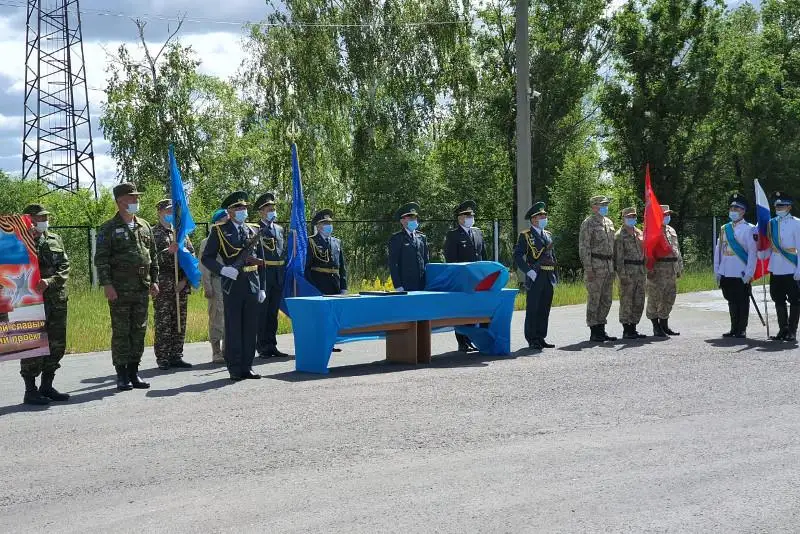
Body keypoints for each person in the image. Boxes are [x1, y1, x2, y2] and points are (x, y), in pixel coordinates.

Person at [95, 183, 159, 391]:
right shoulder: (108, 229)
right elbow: (101, 260)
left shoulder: (145, 225)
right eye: (131, 198)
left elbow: (153, 257)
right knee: (122, 332)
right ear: (119, 201)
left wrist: (155, 280)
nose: (135, 201)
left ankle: (134, 371)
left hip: (141, 287)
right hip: (120, 289)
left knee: (138, 331)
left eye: (136, 198)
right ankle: (121, 374)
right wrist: (107, 284)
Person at [201, 191, 262, 381]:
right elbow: (207, 258)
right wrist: (223, 270)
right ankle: (235, 367)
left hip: (252, 283)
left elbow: (262, 261)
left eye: (244, 208)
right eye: (238, 208)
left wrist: (262, 287)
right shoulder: (219, 230)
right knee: (234, 327)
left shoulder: (253, 230)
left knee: (251, 327)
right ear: (230, 211)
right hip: (232, 284)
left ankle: (247, 365)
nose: (243, 211)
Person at [19, 204, 70, 405]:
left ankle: (47, 386)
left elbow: (65, 266)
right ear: (29, 219)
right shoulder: (17, 241)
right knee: (32, 345)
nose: (44, 221)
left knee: (57, 344)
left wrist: (50, 281)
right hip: (30, 301)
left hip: (56, 299)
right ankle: (30, 390)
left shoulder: (54, 238)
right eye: (40, 218)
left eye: (45, 217)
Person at [152, 199, 194, 370]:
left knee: (179, 321)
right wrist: (167, 252)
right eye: (167, 211)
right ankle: (163, 357)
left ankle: (176, 355)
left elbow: (191, 258)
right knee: (164, 322)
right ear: (160, 212)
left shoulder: (181, 233)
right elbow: (150, 259)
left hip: (180, 283)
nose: (170, 214)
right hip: (163, 283)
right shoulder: (153, 233)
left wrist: (185, 281)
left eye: (172, 211)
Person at [513, 202, 557, 350]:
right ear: (533, 219)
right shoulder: (526, 236)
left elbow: (552, 256)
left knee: (545, 308)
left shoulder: (548, 234)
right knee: (533, 308)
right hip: (535, 275)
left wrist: (555, 274)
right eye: (541, 215)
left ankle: (541, 336)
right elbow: (518, 256)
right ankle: (532, 339)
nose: (544, 217)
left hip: (548, 275)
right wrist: (528, 271)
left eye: (545, 215)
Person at [444, 200, 486, 352]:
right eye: (467, 215)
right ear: (459, 218)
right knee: (462, 311)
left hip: (479, 280)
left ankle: (474, 339)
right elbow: (451, 260)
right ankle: (462, 341)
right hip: (463, 280)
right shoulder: (453, 235)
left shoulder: (478, 232)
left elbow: (483, 256)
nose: (470, 218)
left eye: (472, 215)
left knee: (475, 311)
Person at [714, 194, 757, 338]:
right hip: (726, 271)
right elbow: (718, 251)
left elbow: (752, 253)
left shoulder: (750, 229)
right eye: (731, 208)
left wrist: (749, 273)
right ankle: (733, 328)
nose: (733, 210)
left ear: (743, 211)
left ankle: (741, 329)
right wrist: (717, 271)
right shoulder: (724, 228)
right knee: (731, 300)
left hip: (741, 271)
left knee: (742, 301)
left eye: (736, 208)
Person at [254, 192, 289, 359]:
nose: (272, 211)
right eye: (269, 209)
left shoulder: (280, 229)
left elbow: (281, 253)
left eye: (273, 208)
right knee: (262, 312)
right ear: (261, 212)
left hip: (278, 275)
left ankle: (272, 344)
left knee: (273, 313)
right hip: (264, 274)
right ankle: (262, 346)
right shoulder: (256, 229)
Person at [761, 192, 800, 343]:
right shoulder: (772, 223)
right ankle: (782, 329)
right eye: (777, 206)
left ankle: (792, 331)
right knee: (778, 299)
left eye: (782, 205)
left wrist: (799, 270)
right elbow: (771, 246)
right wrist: (762, 254)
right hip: (776, 267)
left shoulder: (797, 223)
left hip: (791, 267)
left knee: (795, 300)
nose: (779, 208)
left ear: (789, 207)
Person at [579, 195, 617, 342]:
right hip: (595, 265)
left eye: (606, 205)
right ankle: (594, 330)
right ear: (594, 207)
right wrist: (588, 268)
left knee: (606, 299)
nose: (605, 207)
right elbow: (584, 247)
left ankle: (601, 328)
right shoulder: (588, 223)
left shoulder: (608, 222)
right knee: (595, 298)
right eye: (602, 205)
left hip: (608, 266)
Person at [646, 205, 684, 337]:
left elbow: (677, 250)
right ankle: (656, 327)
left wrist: (679, 267)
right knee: (655, 298)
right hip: (659, 269)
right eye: (664, 214)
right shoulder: (652, 231)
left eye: (668, 214)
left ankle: (664, 325)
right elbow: (648, 252)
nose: (667, 217)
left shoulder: (671, 230)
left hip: (671, 269)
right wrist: (649, 269)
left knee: (669, 297)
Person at [614, 207, 647, 340]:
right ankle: (626, 329)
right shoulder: (619, 235)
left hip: (640, 271)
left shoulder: (639, 232)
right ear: (623, 218)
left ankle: (633, 327)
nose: (632, 218)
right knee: (626, 300)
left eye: (633, 216)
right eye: (629, 216)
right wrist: (622, 275)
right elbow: (618, 258)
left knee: (639, 300)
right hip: (627, 271)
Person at [200, 209, 228, 364]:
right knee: (217, 317)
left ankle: (227, 349)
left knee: (229, 317)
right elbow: (204, 266)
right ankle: (216, 351)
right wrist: (207, 285)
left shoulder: (230, 239)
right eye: (224, 220)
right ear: (217, 222)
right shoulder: (208, 241)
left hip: (230, 282)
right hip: (216, 282)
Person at [388, 202, 429, 291]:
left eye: (415, 217)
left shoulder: (422, 237)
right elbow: (393, 264)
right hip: (405, 285)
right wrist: (398, 285)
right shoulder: (397, 238)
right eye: (410, 218)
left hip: (422, 284)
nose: (414, 220)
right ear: (402, 221)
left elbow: (426, 261)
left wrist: (428, 281)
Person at [306, 209, 347, 295]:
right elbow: (307, 269)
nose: (328, 226)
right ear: (318, 226)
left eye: (330, 223)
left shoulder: (337, 242)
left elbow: (342, 268)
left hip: (336, 285)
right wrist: (313, 288)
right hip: (319, 285)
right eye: (325, 223)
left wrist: (343, 287)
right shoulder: (311, 241)